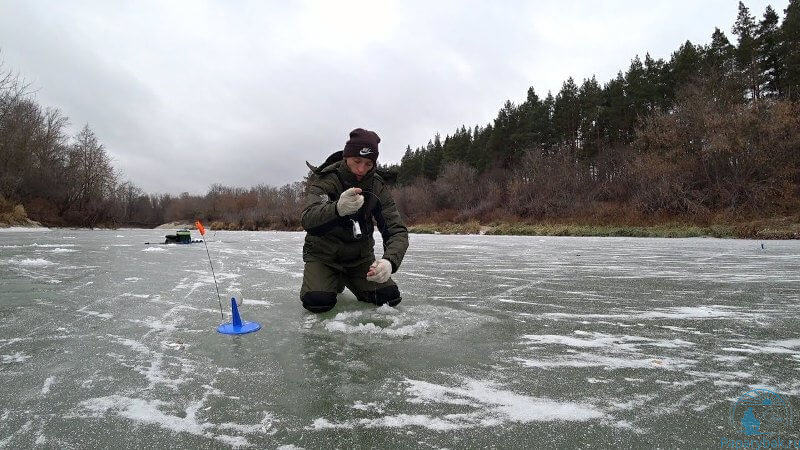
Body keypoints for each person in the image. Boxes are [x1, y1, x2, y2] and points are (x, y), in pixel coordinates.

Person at [299, 128, 409, 313]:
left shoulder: (377, 186)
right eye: (357, 161)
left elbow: (396, 230)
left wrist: (389, 262)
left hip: (360, 260)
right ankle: (332, 280)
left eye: (368, 163)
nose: (361, 169)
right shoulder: (326, 180)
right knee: (317, 301)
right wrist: (337, 209)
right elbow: (308, 219)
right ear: (346, 157)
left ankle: (350, 279)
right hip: (324, 257)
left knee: (389, 297)